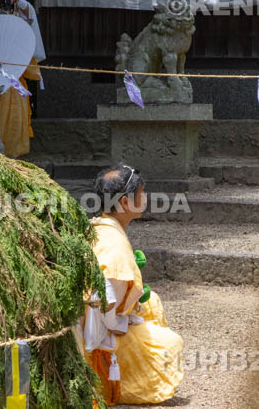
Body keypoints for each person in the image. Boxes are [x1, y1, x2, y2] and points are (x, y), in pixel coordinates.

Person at [76, 164, 183, 405]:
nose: (145, 198)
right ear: (125, 203)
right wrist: (124, 321)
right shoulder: (113, 246)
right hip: (98, 337)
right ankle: (117, 380)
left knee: (151, 302)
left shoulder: (99, 227)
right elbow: (102, 307)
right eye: (142, 194)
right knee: (171, 344)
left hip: (97, 318)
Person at [0, 0, 46, 158]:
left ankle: (14, 158)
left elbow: (29, 15)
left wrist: (18, 1)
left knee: (15, 120)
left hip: (13, 79)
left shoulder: (10, 20)